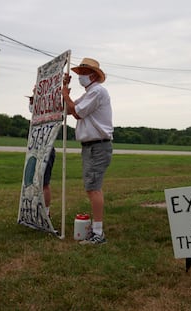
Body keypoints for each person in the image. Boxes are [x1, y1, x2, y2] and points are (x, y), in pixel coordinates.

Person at [62, 58, 113, 245]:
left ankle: (98, 233)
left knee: (93, 189)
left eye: (83, 73)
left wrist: (66, 94)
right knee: (92, 187)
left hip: (97, 146)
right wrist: (64, 89)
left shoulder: (97, 91)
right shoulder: (90, 92)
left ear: (92, 75)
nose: (80, 77)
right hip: (91, 146)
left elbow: (77, 113)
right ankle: (96, 230)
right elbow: (68, 110)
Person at [28, 94, 56, 218]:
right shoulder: (37, 112)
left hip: (46, 148)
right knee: (34, 181)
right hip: (36, 148)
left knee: (44, 183)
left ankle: (46, 212)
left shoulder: (50, 109)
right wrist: (34, 99)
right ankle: (36, 210)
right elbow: (32, 110)